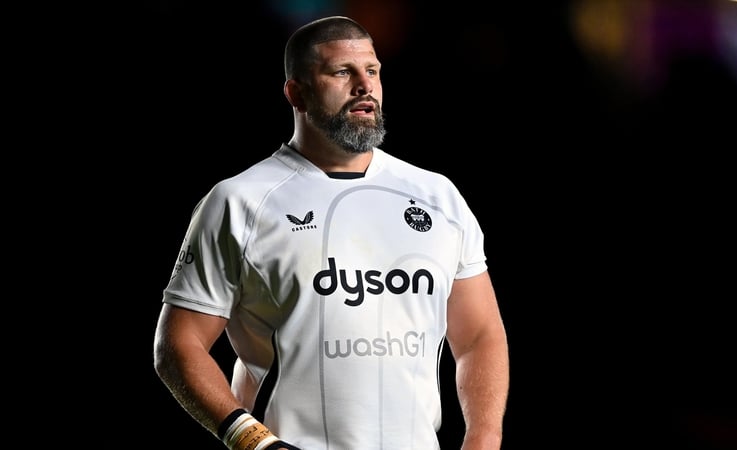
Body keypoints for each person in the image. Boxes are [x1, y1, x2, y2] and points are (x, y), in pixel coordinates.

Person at [153, 15, 509, 450]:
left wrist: (483, 437)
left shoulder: (438, 196)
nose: (364, 85)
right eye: (342, 72)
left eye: (372, 70)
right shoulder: (240, 201)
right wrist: (252, 441)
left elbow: (479, 335)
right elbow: (179, 344)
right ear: (296, 93)